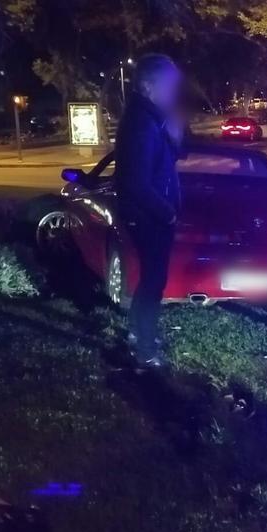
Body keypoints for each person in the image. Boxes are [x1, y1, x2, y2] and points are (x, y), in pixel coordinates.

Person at [114, 53, 183, 369]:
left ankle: (137, 334)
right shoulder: (142, 124)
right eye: (169, 84)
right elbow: (136, 183)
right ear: (148, 85)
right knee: (154, 280)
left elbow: (173, 158)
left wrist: (176, 138)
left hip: (149, 214)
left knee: (151, 279)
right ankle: (145, 348)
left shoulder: (153, 119)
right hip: (148, 216)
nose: (174, 91)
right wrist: (168, 213)